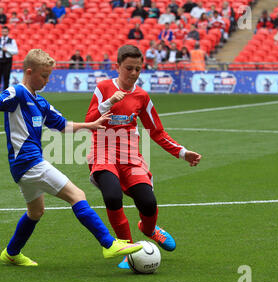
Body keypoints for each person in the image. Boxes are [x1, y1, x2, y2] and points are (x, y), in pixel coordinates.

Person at [0, 49, 143, 267]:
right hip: (29, 162)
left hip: (24, 165)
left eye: (49, 76)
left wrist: (90, 125)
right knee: (77, 195)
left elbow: (62, 125)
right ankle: (108, 243)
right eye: (43, 76)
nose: (47, 80)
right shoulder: (17, 92)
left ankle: (11, 253)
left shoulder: (41, 102)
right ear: (29, 72)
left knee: (36, 211)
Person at [84, 44, 201, 268]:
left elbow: (156, 131)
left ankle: (148, 230)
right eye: (129, 68)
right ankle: (128, 249)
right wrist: (109, 102)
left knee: (148, 202)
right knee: (112, 196)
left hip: (130, 157)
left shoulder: (142, 96)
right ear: (117, 66)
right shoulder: (103, 88)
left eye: (138, 69)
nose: (134, 74)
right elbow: (89, 121)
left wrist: (182, 153)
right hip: (103, 153)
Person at [0, 26, 19, 96]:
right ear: (1, 32)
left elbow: (16, 51)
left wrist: (7, 50)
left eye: (6, 31)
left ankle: (5, 95)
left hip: (7, 61)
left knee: (6, 78)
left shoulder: (12, 41)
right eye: (3, 31)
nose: (4, 32)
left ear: (8, 32)